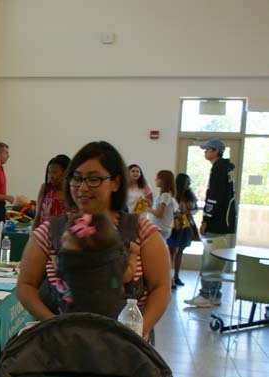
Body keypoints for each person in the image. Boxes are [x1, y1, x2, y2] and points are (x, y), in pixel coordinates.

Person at [17, 141, 171, 340]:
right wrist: (55, 325)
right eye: (77, 178)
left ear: (116, 182)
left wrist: (137, 332)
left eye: (94, 179)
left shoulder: (142, 231)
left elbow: (161, 288)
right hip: (62, 346)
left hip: (125, 348)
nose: (82, 187)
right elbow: (25, 285)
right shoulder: (51, 230)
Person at [51, 211, 141, 318]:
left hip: (73, 314)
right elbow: (127, 276)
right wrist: (134, 254)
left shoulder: (66, 261)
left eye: (64, 239)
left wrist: (54, 260)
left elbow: (59, 270)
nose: (62, 240)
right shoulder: (113, 263)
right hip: (112, 314)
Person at [185, 139, 237, 308]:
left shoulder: (219, 169)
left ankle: (206, 294)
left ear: (216, 151)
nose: (205, 152)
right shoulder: (225, 168)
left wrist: (206, 219)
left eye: (207, 149)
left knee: (210, 258)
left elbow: (214, 196)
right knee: (216, 257)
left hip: (216, 222)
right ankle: (215, 294)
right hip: (223, 221)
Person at [167, 173, 197, 289]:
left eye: (189, 182)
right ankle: (169, 278)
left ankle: (176, 276)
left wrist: (189, 209)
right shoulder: (173, 195)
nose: (189, 184)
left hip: (186, 225)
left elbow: (194, 209)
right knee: (172, 251)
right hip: (175, 226)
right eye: (187, 182)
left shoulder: (190, 195)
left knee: (181, 251)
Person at [32, 154, 71, 227]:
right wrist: (32, 234)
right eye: (50, 173)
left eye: (55, 172)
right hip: (43, 235)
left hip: (63, 236)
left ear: (65, 173)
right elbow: (37, 215)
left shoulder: (72, 192)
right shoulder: (45, 188)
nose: (51, 176)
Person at [146, 170, 178, 240]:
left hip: (161, 228)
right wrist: (150, 205)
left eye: (157, 178)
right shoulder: (166, 195)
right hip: (163, 227)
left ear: (163, 180)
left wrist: (148, 209)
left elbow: (160, 214)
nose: (155, 180)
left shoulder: (165, 195)